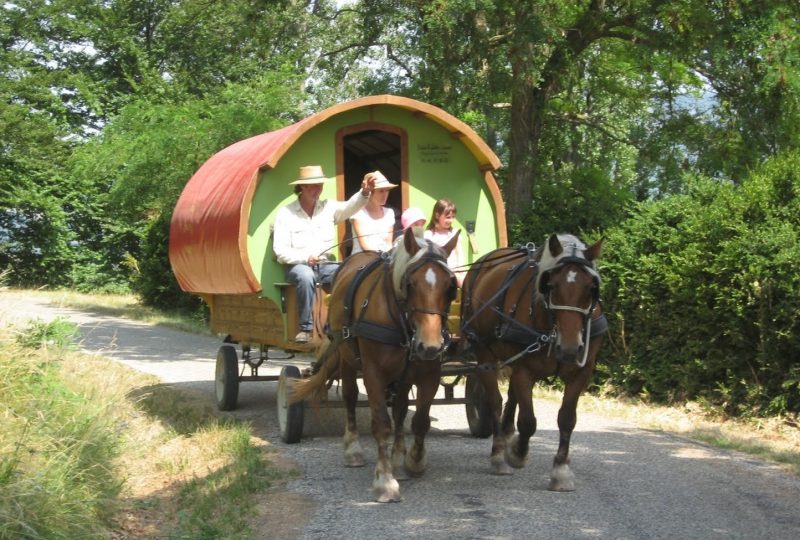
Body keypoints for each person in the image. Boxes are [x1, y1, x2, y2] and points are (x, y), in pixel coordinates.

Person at [273, 165, 375, 343]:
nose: (318, 189)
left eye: (320, 185)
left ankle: (337, 323)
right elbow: (280, 251)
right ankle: (305, 329)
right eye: (313, 186)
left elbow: (350, 207)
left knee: (349, 273)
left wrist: (364, 192)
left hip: (325, 266)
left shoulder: (328, 207)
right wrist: (305, 258)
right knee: (305, 275)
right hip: (297, 267)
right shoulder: (286, 213)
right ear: (302, 187)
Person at [349, 171, 397, 254]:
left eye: (387, 190)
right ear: (370, 193)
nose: (385, 194)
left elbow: (389, 244)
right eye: (381, 191)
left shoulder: (389, 213)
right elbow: (364, 246)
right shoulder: (358, 213)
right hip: (362, 260)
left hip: (384, 260)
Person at [424, 198, 466, 286]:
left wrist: (460, 270)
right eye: (448, 217)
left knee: (465, 282)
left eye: (453, 217)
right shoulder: (428, 235)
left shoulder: (454, 234)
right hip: (436, 273)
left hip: (454, 272)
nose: (451, 220)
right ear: (437, 215)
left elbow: (460, 255)